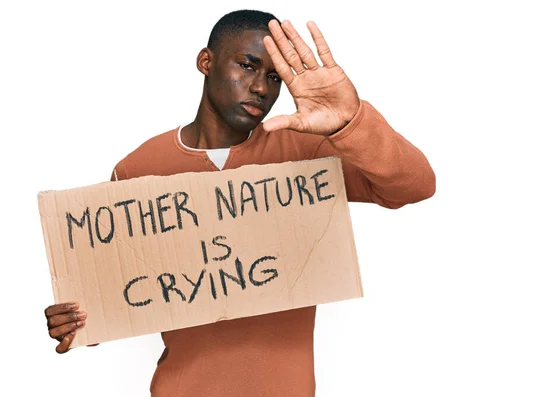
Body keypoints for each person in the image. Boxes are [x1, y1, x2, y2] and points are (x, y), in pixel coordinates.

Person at [44, 9, 435, 397]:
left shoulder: (309, 154)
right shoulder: (137, 169)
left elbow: (414, 186)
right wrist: (78, 321)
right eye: (247, 66)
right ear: (206, 61)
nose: (262, 88)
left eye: (273, 77)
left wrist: (349, 120)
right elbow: (123, 294)